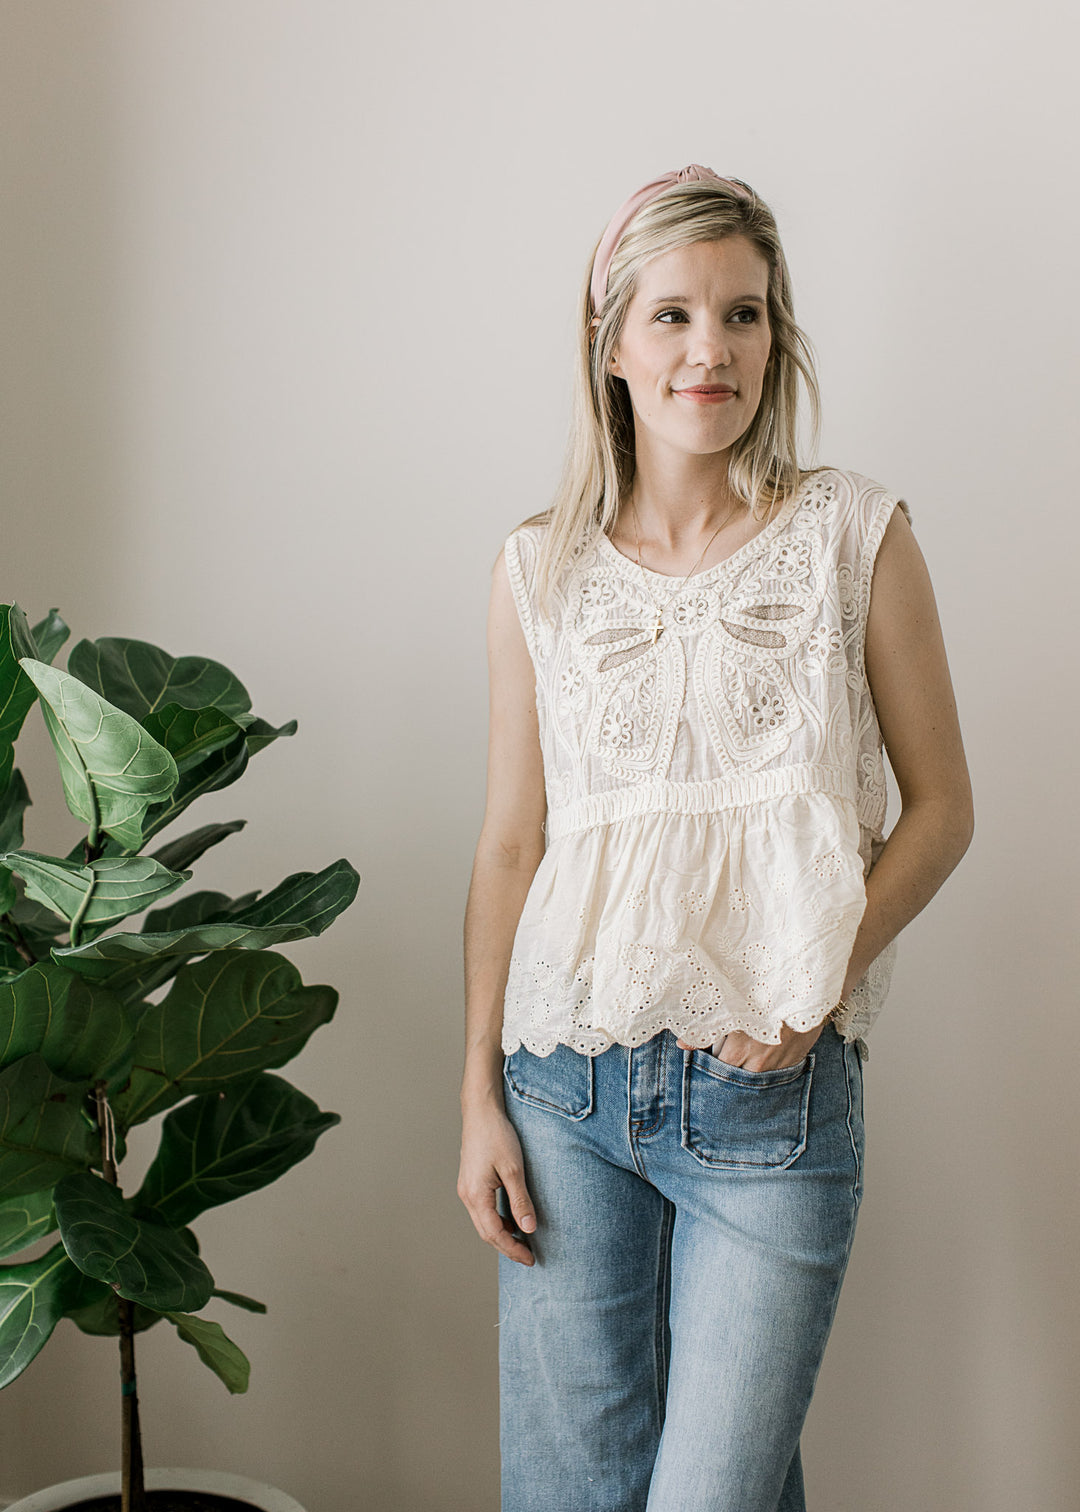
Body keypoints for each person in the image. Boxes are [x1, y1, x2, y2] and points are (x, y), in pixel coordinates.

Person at [458, 164, 974, 1512]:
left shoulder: (855, 535)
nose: (711, 350)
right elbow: (512, 846)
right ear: (611, 346)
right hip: (562, 1096)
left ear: (776, 341)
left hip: (774, 1099)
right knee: (573, 1497)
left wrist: (815, 973)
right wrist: (475, 1102)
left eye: (744, 316)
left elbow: (943, 810)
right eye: (675, 315)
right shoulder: (535, 572)